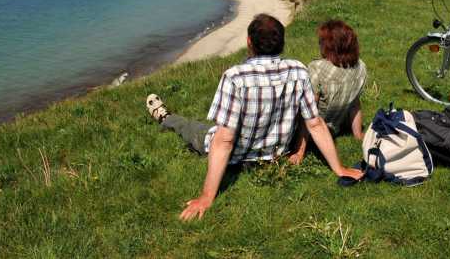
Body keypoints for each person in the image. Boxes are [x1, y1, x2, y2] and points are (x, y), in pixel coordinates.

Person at [146, 14, 363, 221]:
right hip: (277, 154)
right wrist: (339, 168)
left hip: (239, 158)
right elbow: (315, 123)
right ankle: (169, 118)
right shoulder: (298, 70)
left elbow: (225, 140)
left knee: (192, 128)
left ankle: (166, 117)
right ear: (282, 43)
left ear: (249, 41)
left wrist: (206, 196)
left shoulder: (235, 77)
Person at [287, 20, 367, 165]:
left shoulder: (317, 68)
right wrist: (358, 134)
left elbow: (309, 111)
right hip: (335, 128)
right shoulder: (360, 67)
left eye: (321, 42)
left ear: (329, 46)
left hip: (314, 132)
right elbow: (355, 103)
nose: (319, 45)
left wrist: (299, 151)